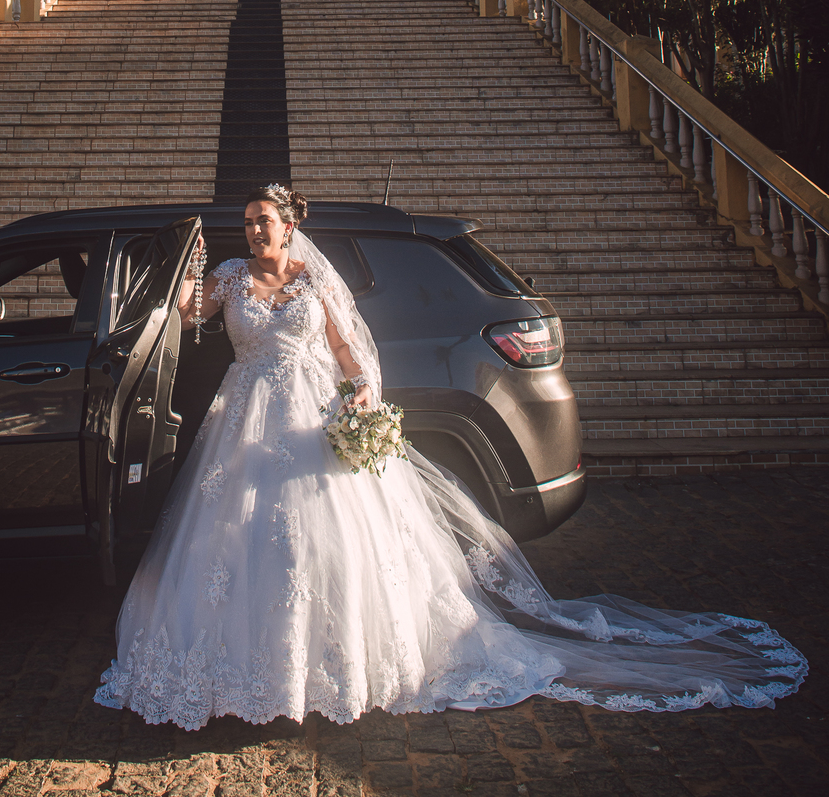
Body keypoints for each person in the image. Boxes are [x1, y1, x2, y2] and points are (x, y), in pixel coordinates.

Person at [96, 184, 806, 731]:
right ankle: (244, 674)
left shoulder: (315, 280)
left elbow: (349, 352)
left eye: (265, 219)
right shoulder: (227, 275)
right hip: (244, 419)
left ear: (291, 224)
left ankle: (331, 671)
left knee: (328, 546)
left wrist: (363, 399)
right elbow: (185, 317)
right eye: (247, 221)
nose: (254, 229)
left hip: (312, 415)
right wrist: (183, 271)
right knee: (236, 543)